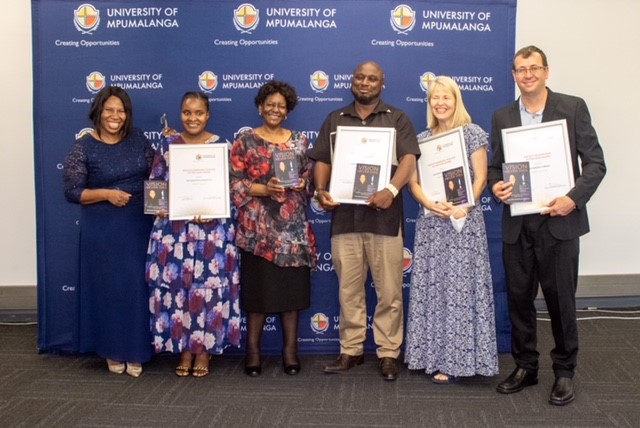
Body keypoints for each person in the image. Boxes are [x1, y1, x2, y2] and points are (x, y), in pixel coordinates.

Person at [488, 46, 606, 405]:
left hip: (560, 221)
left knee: (560, 301)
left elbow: (596, 164)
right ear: (514, 75)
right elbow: (495, 166)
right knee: (519, 299)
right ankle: (526, 366)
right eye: (521, 69)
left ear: (546, 72)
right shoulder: (503, 116)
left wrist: (573, 198)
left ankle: (564, 371)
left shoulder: (572, 107)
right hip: (518, 224)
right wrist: (496, 185)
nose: (528, 75)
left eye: (534, 68)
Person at [308, 60, 420, 381]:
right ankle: (351, 350)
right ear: (352, 81)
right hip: (345, 219)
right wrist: (321, 190)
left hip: (385, 219)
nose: (365, 83)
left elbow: (409, 159)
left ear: (382, 83)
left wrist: (391, 189)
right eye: (360, 77)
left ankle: (388, 352)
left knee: (390, 292)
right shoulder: (335, 119)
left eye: (372, 78)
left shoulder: (397, 118)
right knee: (349, 290)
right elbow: (322, 159)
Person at [404, 76, 498, 384]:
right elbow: (414, 183)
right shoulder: (421, 140)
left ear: (456, 100)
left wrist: (464, 207)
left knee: (460, 290)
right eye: (435, 98)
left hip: (462, 224)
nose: (440, 103)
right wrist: (428, 203)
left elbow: (481, 177)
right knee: (434, 288)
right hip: (432, 224)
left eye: (446, 97)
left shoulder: (472, 133)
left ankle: (460, 360)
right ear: (429, 102)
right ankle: (430, 357)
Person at [146, 91, 241, 378]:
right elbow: (156, 185)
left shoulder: (222, 147)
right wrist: (159, 207)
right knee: (180, 290)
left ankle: (204, 350)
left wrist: (215, 208)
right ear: (180, 114)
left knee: (207, 291)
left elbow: (232, 191)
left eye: (199, 112)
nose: (192, 118)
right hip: (175, 233)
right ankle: (184, 349)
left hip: (212, 232)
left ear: (208, 114)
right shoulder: (168, 146)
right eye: (187, 112)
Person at [63, 86, 154, 377]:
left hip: (138, 225)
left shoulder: (138, 139)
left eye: (121, 110)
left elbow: (157, 174)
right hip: (103, 228)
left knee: (135, 288)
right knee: (108, 289)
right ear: (99, 112)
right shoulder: (84, 147)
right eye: (109, 110)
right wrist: (106, 194)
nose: (115, 116)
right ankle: (113, 350)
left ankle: (136, 350)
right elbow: (72, 192)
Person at [230, 80, 316, 376]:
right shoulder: (245, 141)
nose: (275, 109)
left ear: (287, 111)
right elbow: (233, 184)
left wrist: (303, 183)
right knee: (258, 296)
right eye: (270, 104)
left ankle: (290, 351)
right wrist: (264, 189)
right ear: (260, 107)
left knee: (291, 296)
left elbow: (308, 179)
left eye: (281, 106)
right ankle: (252, 352)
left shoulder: (300, 141)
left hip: (292, 232)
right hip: (258, 231)